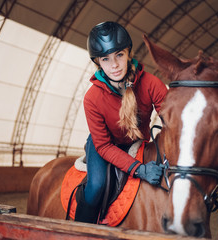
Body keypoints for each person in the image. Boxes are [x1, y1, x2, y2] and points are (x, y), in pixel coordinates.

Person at [75, 21, 168, 223]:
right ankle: (79, 232)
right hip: (106, 146)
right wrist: (139, 169)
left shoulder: (151, 83)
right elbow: (104, 145)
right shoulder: (92, 98)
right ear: (98, 62)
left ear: (128, 53)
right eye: (106, 59)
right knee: (96, 186)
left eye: (119, 55)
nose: (114, 64)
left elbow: (172, 121)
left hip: (138, 141)